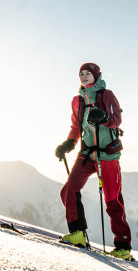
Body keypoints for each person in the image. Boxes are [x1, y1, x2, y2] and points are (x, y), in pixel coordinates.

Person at [54, 63, 133, 260]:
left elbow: (116, 119)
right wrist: (68, 143)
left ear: (96, 76)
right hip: (87, 153)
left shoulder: (106, 95)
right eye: (81, 74)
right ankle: (78, 233)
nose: (84, 76)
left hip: (107, 155)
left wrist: (104, 117)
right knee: (68, 189)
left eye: (88, 73)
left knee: (112, 199)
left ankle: (123, 245)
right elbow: (76, 126)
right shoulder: (77, 100)